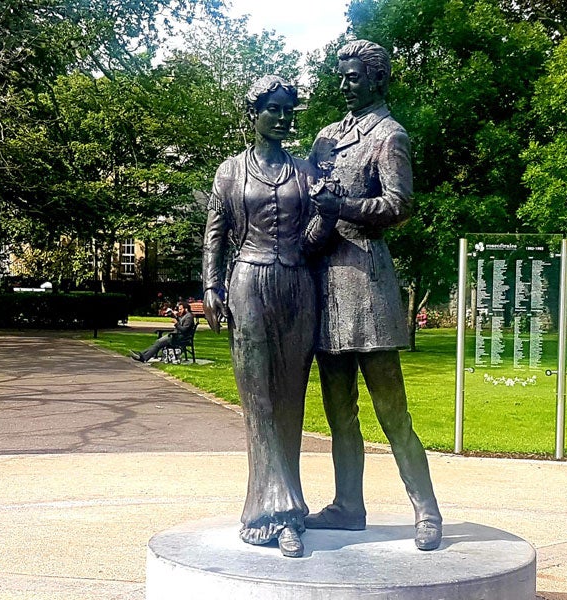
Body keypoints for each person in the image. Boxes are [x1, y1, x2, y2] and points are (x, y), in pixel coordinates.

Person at [306, 40, 443, 551]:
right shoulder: (325, 137)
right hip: (327, 287)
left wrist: (344, 206)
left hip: (367, 286)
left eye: (354, 76)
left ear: (377, 79)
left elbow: (399, 205)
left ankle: (426, 509)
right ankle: (348, 506)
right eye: (341, 75)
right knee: (339, 412)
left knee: (392, 412)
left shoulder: (389, 135)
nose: (344, 84)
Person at [199, 75, 336, 558]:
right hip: (248, 283)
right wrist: (210, 285)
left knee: (290, 400)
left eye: (287, 110)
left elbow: (313, 242)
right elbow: (215, 234)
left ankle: (285, 508)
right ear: (253, 114)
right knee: (258, 399)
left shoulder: (305, 172)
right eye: (272, 109)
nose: (281, 117)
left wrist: (328, 215)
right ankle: (272, 514)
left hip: (297, 286)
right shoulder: (230, 172)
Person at [130, 302, 195, 362]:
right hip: (176, 336)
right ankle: (142, 355)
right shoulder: (186, 316)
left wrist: (176, 323)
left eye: (181, 309)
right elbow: (181, 324)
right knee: (157, 342)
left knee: (158, 343)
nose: (179, 311)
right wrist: (176, 317)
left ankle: (143, 357)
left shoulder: (189, 317)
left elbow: (184, 330)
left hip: (180, 338)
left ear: (186, 309)